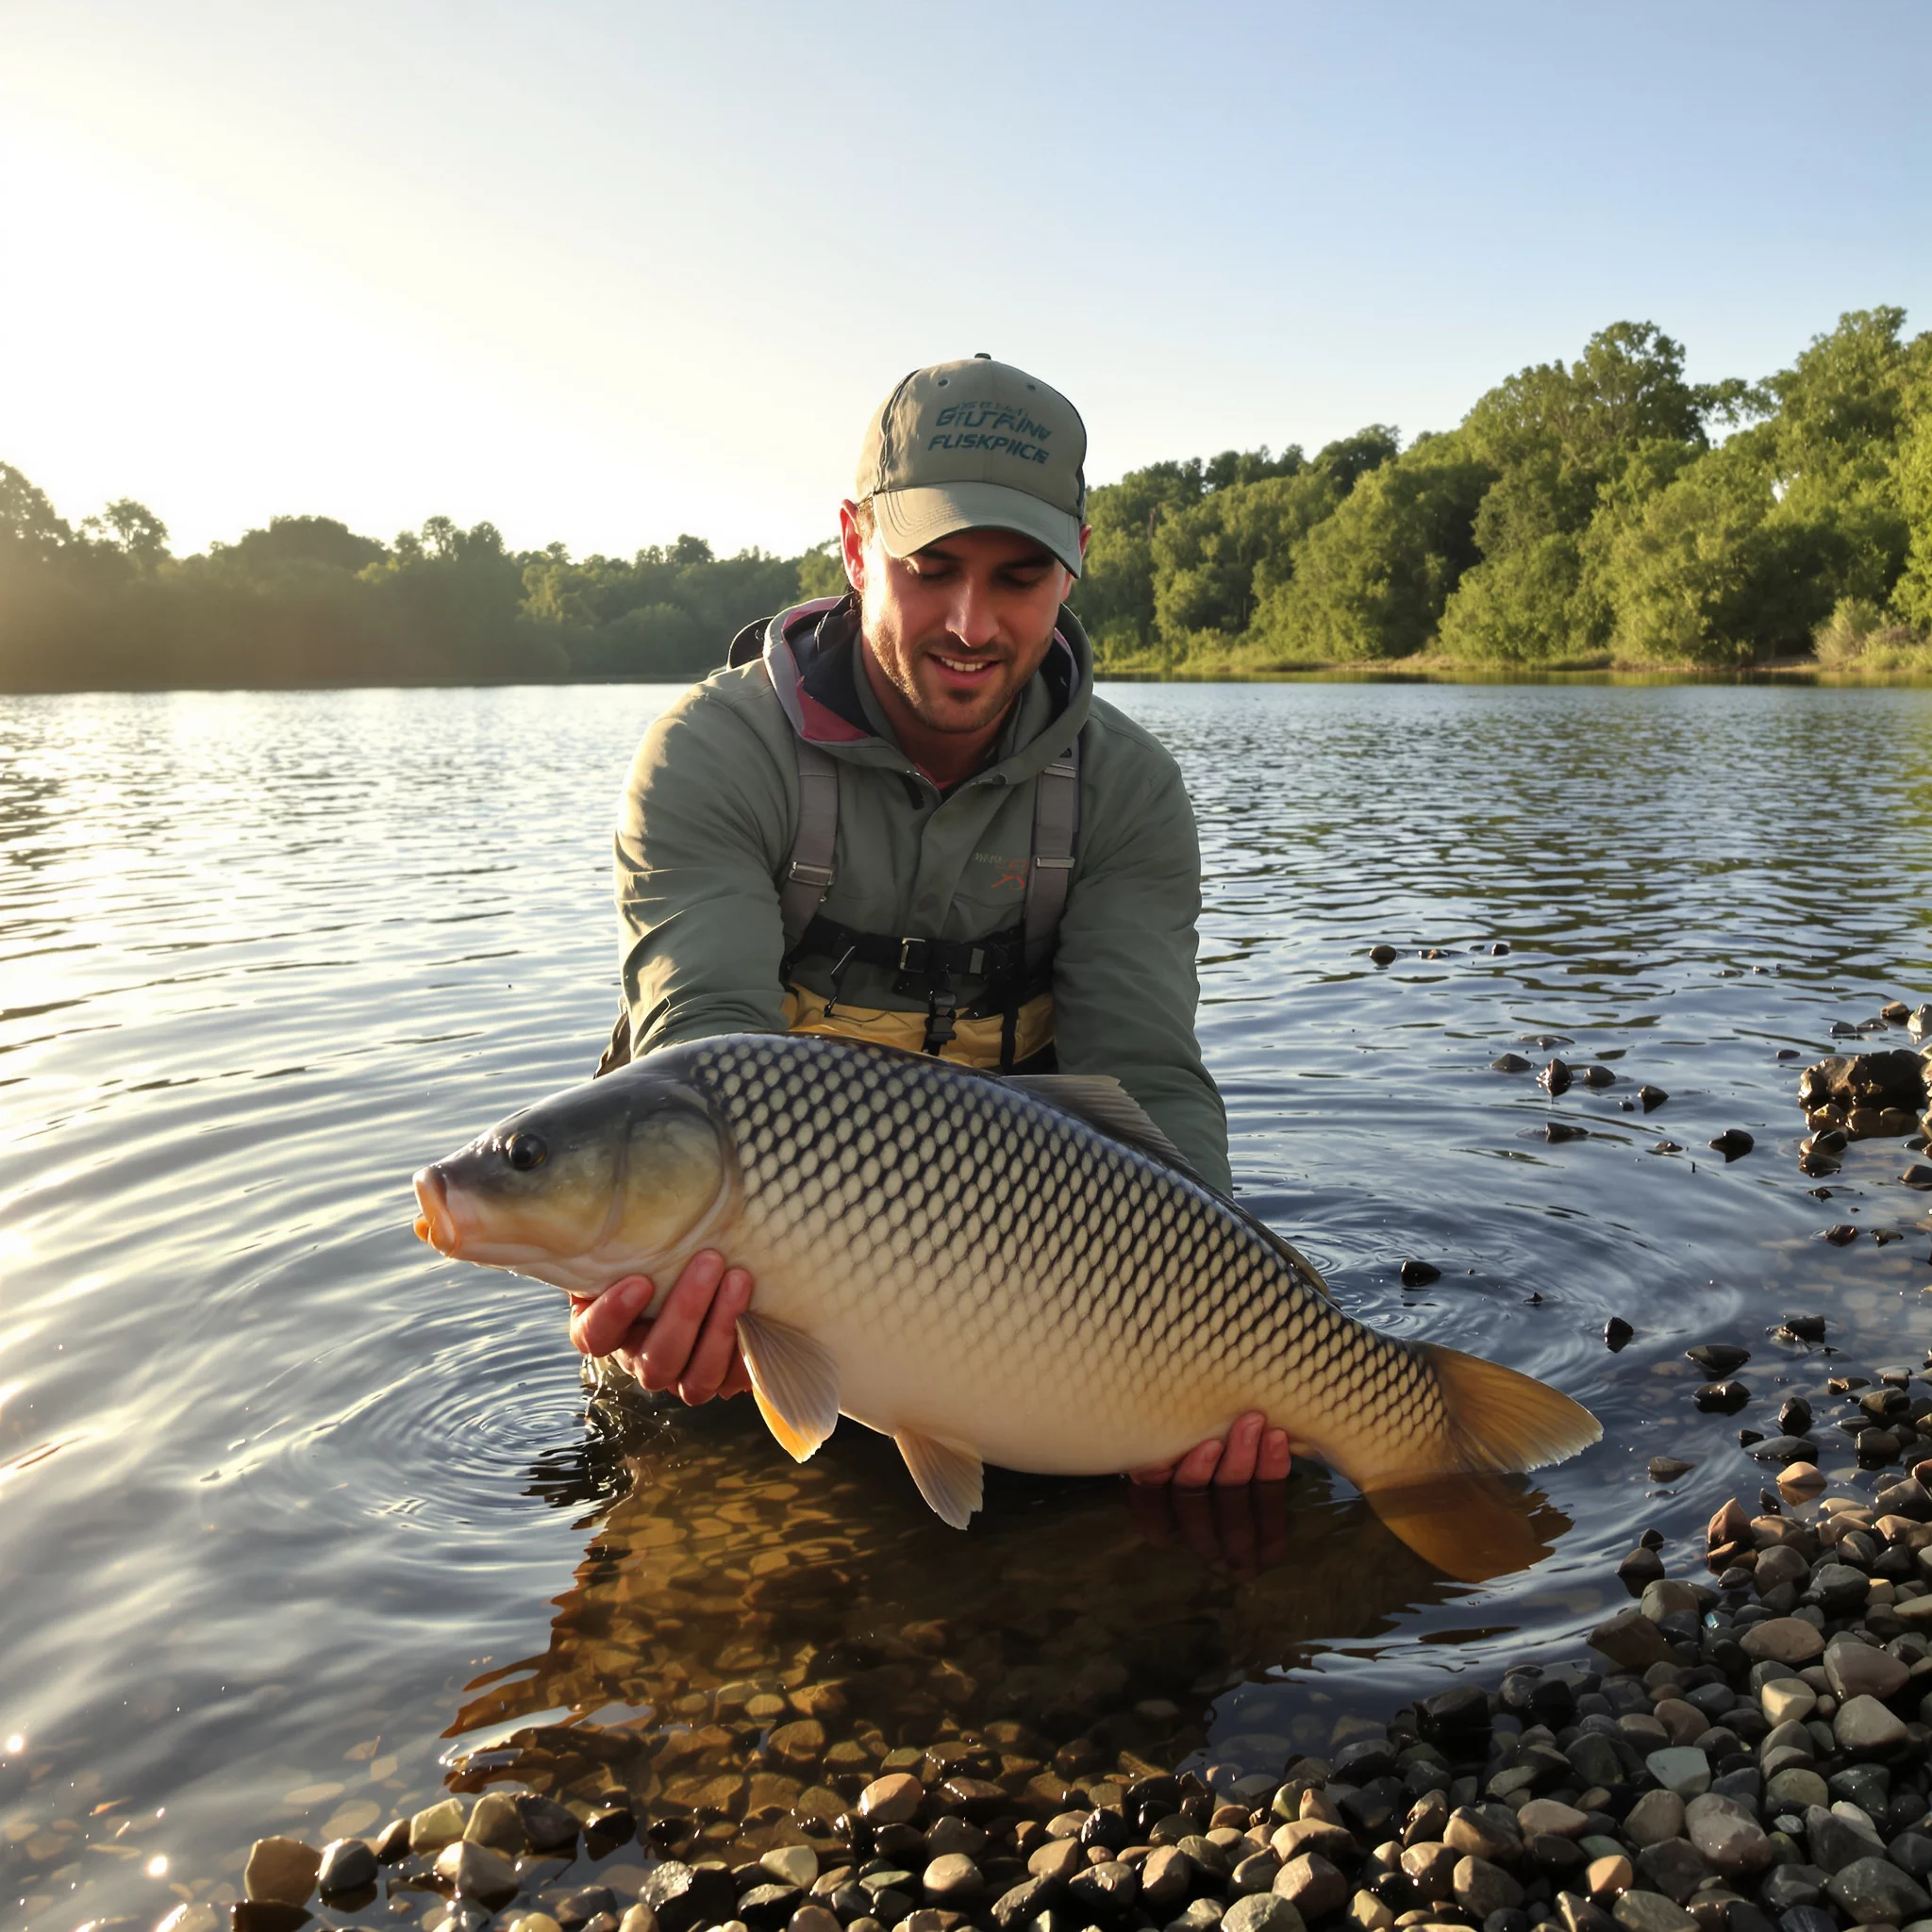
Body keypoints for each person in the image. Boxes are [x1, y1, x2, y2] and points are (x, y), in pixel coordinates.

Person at [570, 355, 1290, 1493]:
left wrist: (1230, 1326)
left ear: (1072, 565)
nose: (969, 622)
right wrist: (680, 1280)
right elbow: (699, 1045)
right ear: (855, 545)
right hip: (752, 1286)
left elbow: (1147, 1085)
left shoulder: (1128, 792)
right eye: (930, 567)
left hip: (1014, 1289)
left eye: (1018, 576)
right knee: (691, 1479)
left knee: (1165, 1500)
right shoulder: (710, 755)